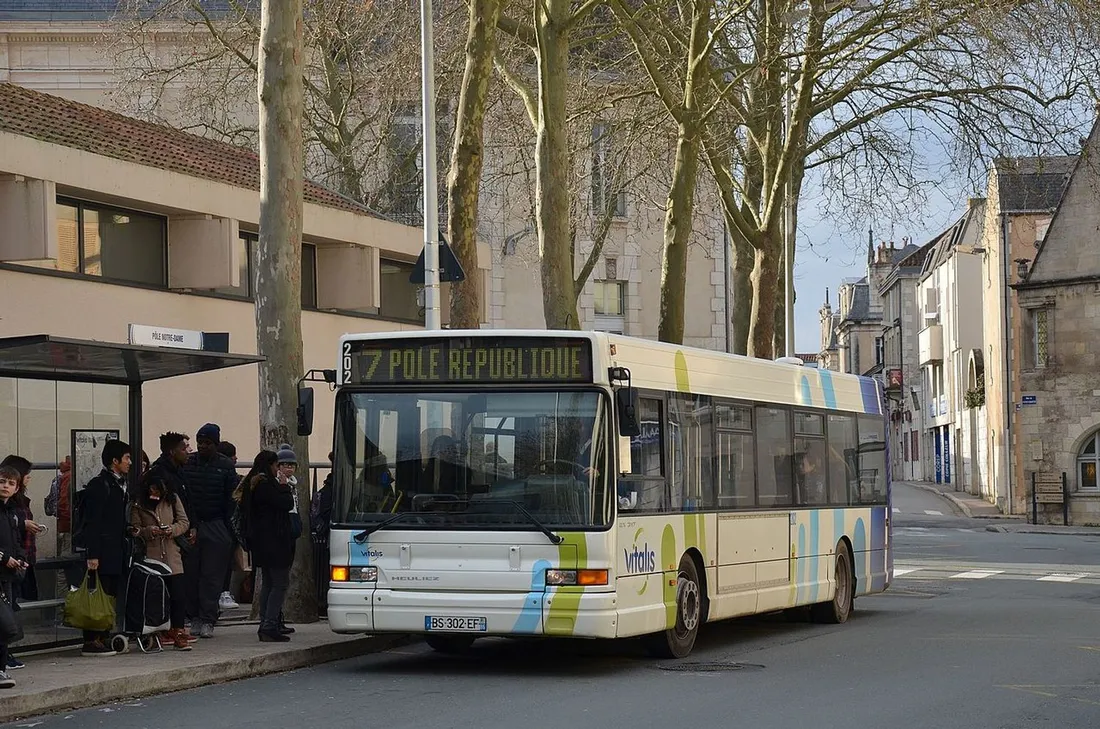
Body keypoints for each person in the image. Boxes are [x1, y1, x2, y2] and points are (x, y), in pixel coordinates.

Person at [180, 424, 237, 639]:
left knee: (212, 576)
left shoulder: (225, 466)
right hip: (192, 524)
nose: (202, 446)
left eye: (207, 443)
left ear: (215, 444)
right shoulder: (189, 464)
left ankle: (208, 618)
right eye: (200, 442)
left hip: (216, 524)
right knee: (191, 574)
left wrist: (228, 529)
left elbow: (231, 501)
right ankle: (194, 616)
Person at [80, 439, 133, 657]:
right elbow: (93, 522)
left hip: (117, 549)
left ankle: (104, 634)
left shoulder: (121, 484)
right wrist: (93, 554)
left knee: (109, 593)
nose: (129, 462)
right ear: (114, 461)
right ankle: (92, 639)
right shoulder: (99, 485)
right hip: (102, 550)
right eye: (127, 458)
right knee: (97, 594)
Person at [130, 471, 192, 651]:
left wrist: (171, 530)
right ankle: (156, 631)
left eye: (159, 489)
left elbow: (184, 521)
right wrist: (148, 531)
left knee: (178, 595)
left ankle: (178, 631)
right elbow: (134, 529)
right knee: (155, 596)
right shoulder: (138, 503)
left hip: (172, 553)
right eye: (153, 489)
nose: (156, 492)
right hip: (151, 555)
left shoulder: (171, 499)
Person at [243, 449, 295, 642]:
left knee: (268, 582)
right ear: (270, 465)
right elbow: (286, 503)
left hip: (261, 543)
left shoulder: (253, 484)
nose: (277, 469)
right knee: (280, 584)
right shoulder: (267, 485)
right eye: (276, 465)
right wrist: (284, 486)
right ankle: (269, 624)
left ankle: (266, 622)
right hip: (275, 542)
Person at [0, 465, 29, 689]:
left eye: (10, 483)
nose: (5, 486)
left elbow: (17, 542)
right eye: (2, 481)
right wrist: (4, 558)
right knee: (5, 625)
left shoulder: (11, 512)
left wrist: (20, 558)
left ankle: (1, 669)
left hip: (7, 576)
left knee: (5, 627)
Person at [216, 441, 241, 612]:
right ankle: (223, 592)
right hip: (225, 522)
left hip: (218, 521)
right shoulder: (229, 474)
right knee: (225, 561)